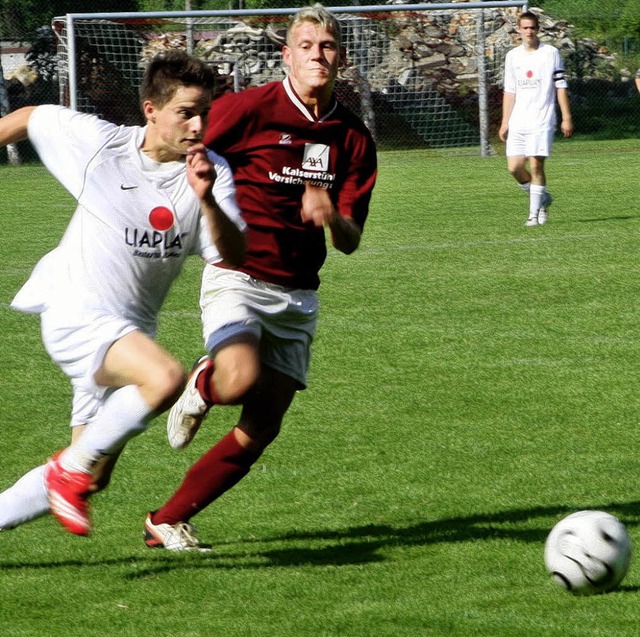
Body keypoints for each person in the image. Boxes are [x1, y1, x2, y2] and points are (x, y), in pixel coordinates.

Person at [143, 4, 377, 551]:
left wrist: (330, 215)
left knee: (262, 425)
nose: (318, 56)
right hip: (239, 273)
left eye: (328, 47)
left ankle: (167, 519)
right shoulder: (249, 109)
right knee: (239, 378)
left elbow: (350, 240)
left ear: (339, 56)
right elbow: (188, 148)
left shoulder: (353, 136)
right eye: (307, 46)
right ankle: (202, 383)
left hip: (299, 293)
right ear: (286, 55)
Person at [0, 51, 246, 538]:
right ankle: (65, 470)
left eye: (205, 113)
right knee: (166, 377)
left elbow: (233, 255)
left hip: (127, 332)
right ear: (151, 111)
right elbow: (31, 117)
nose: (198, 125)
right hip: (76, 311)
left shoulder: (211, 171)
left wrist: (208, 200)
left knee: (91, 474)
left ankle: (66, 472)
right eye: (186, 112)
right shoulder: (102, 146)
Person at [499, 10, 573, 227]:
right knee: (514, 168)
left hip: (542, 119)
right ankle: (542, 197)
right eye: (525, 27)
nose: (529, 31)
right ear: (519, 30)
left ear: (538, 29)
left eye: (532, 27)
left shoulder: (550, 53)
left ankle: (534, 215)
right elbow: (510, 92)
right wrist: (505, 122)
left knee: (536, 165)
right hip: (518, 121)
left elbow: (560, 86)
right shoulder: (512, 56)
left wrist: (566, 117)